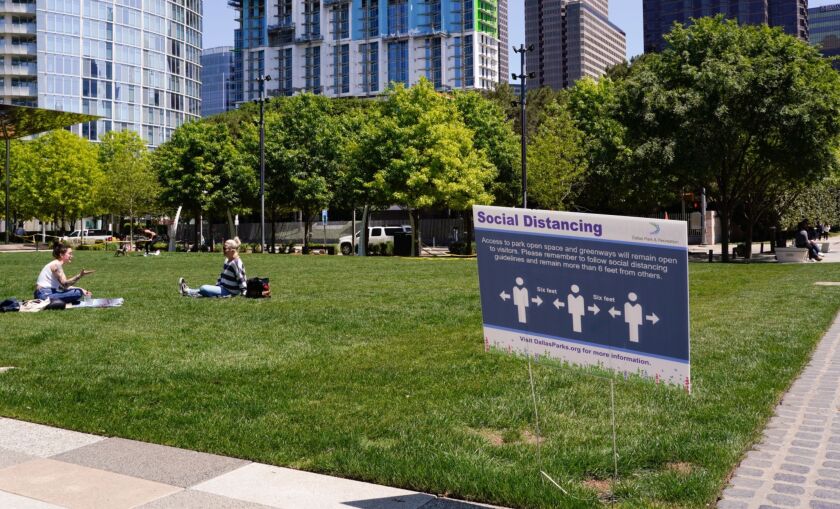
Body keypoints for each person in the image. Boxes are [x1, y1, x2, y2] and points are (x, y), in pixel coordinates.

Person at [179, 237, 247, 298]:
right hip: (223, 288)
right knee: (205, 289)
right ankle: (187, 291)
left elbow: (241, 278)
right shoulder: (227, 260)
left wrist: (244, 292)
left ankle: (187, 291)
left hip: (230, 291)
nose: (223, 250)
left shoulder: (236, 263)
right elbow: (222, 275)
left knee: (204, 288)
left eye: (224, 248)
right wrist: (217, 286)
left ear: (232, 250)